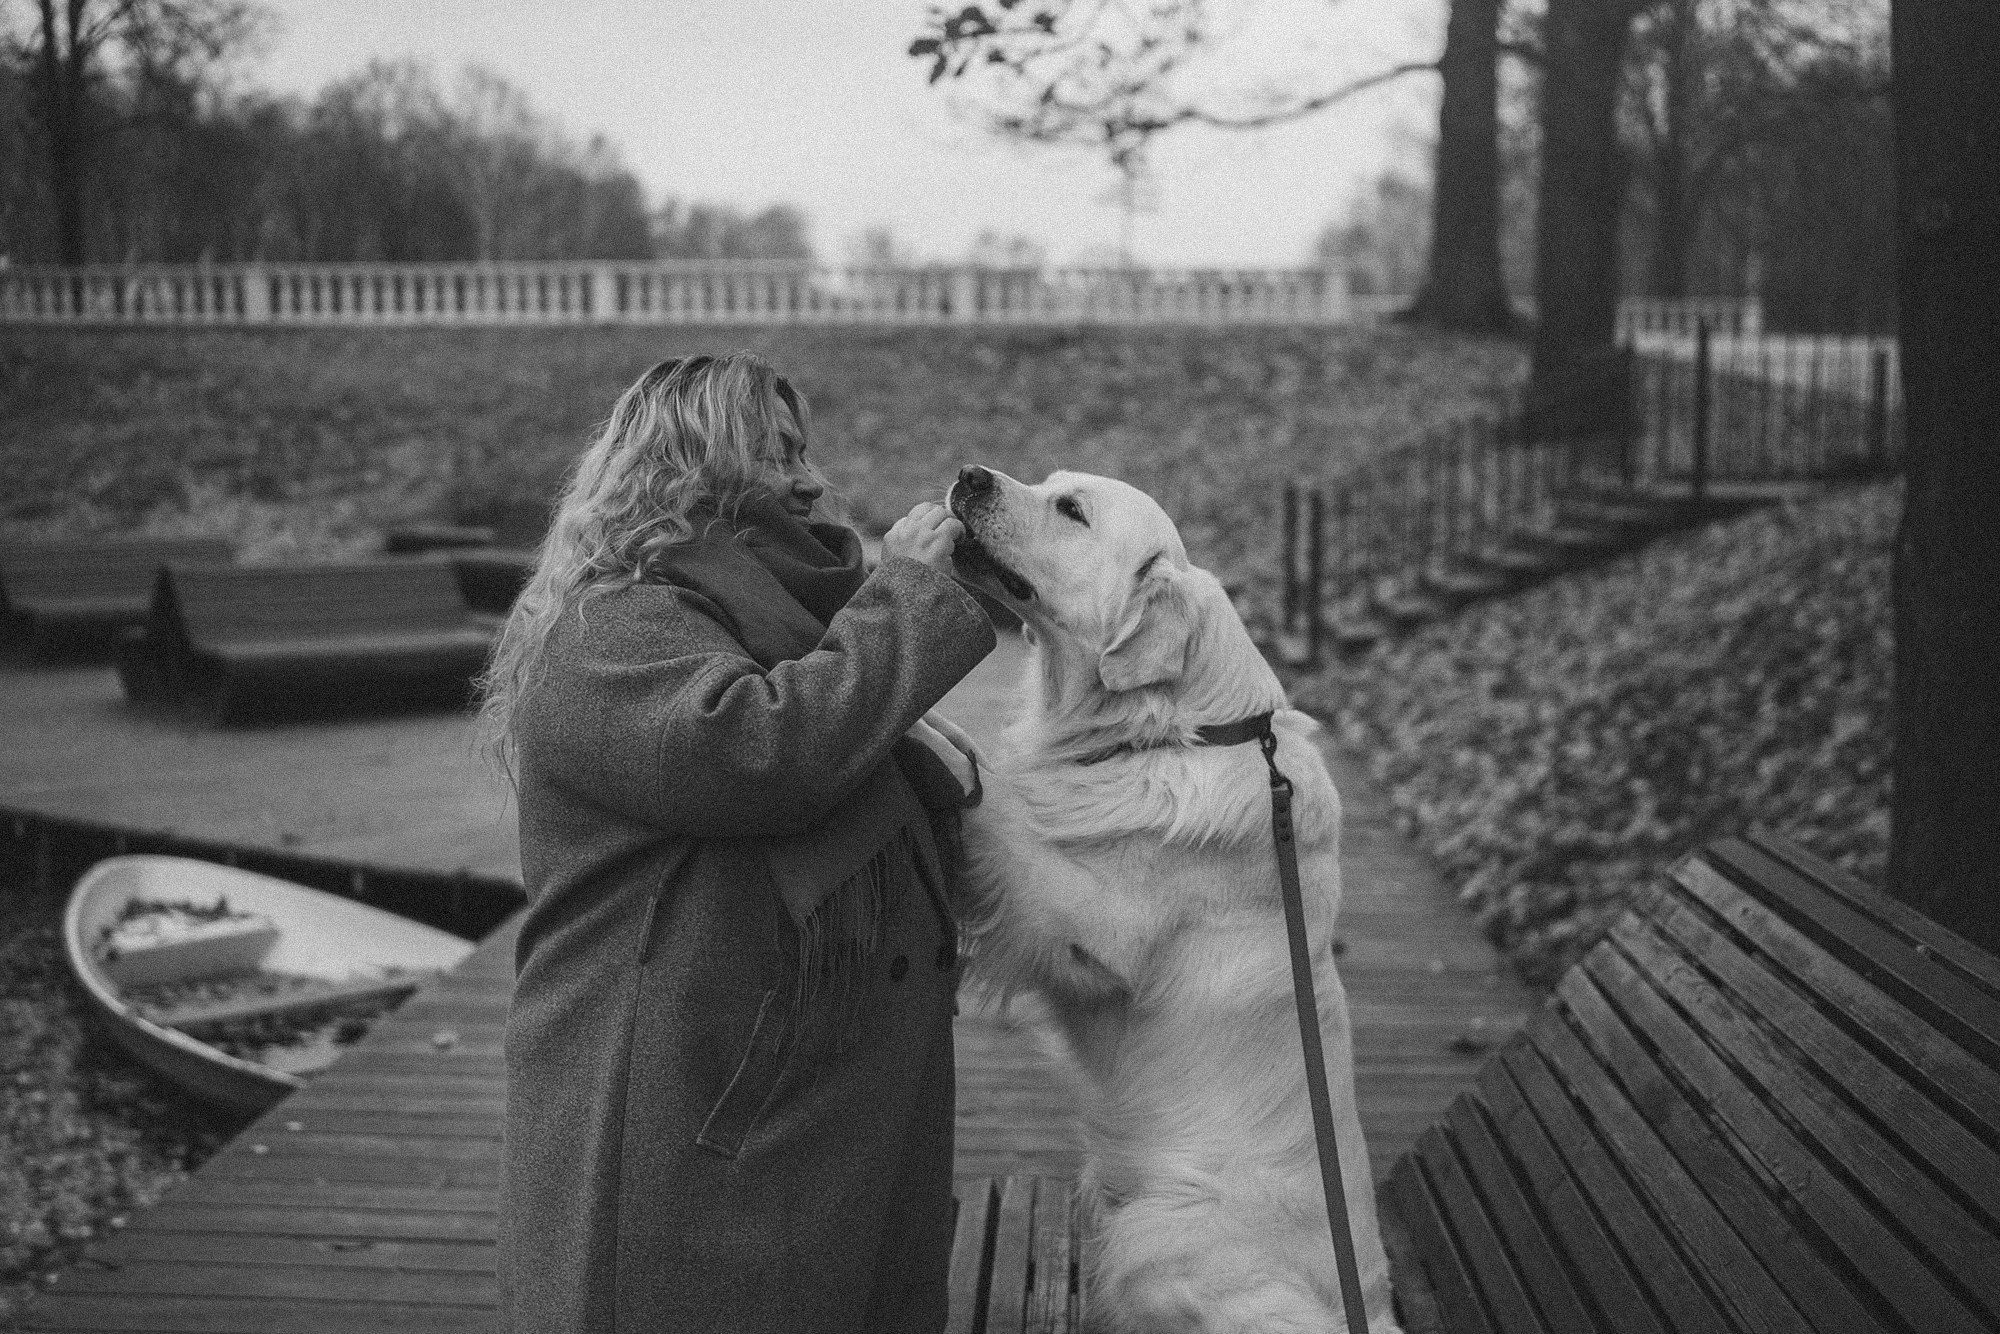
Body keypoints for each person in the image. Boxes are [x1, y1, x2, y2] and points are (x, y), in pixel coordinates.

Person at [484, 351, 996, 1333]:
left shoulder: (775, 620)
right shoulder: (610, 623)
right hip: (683, 1117)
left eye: (800, 449)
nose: (804, 478)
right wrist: (904, 603)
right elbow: (756, 755)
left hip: (787, 1110)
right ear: (679, 468)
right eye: (767, 452)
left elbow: (819, 734)